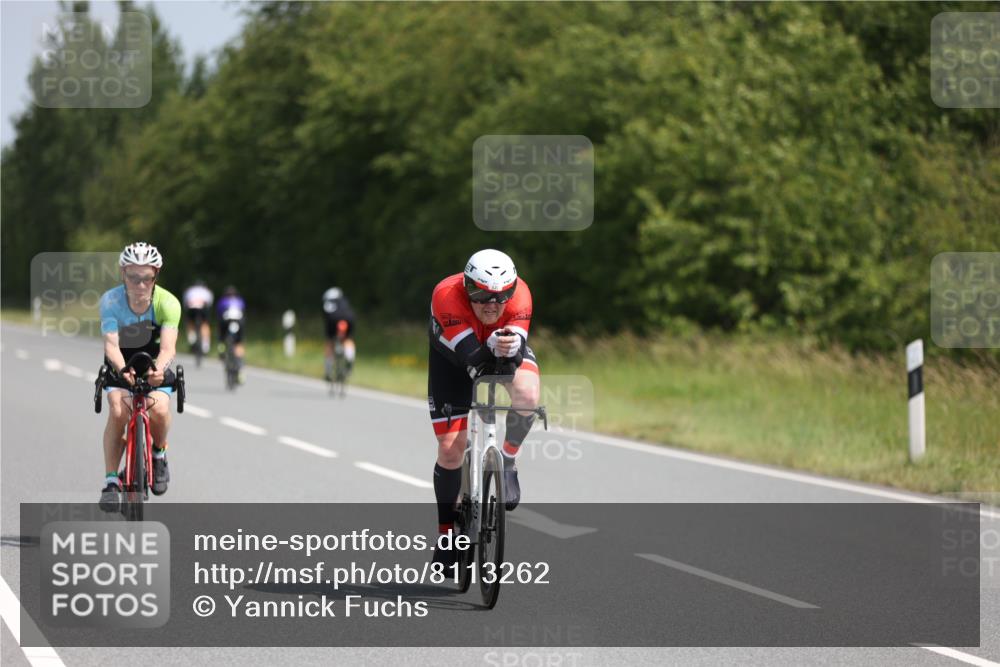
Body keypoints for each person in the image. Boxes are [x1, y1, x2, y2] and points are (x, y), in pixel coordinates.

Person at [427, 249, 540, 570]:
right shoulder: (446, 295)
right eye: (480, 294)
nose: (491, 304)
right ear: (466, 287)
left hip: (497, 346)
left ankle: (507, 461)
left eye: (501, 296)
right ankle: (446, 533)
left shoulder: (521, 296)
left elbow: (512, 362)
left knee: (528, 396)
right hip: (453, 357)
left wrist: (509, 349)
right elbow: (471, 360)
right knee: (451, 448)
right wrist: (489, 348)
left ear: (512, 290)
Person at [98, 242, 181, 511]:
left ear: (155, 275)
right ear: (123, 273)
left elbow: (168, 347)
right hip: (121, 361)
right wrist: (122, 370)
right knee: (118, 410)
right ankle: (111, 481)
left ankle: (159, 453)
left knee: (159, 408)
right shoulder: (111, 301)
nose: (141, 284)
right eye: (134, 277)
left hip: (154, 361)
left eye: (147, 278)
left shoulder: (167, 302)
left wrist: (158, 370)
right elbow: (111, 344)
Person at [322, 286, 356, 381]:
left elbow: (326, 317)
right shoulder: (344, 300)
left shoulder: (328, 302)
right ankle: (350, 358)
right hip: (349, 318)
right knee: (348, 339)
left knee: (329, 342)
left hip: (333, 320)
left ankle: (328, 370)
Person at [217, 286, 246, 383]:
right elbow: (243, 311)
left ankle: (221, 350)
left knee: (221, 337)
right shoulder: (240, 300)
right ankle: (241, 369)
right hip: (239, 322)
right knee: (239, 343)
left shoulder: (222, 301)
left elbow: (219, 314)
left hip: (225, 321)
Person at [182, 279, 214, 355]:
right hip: (203, 309)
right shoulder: (206, 291)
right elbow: (209, 303)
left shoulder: (190, 290)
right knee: (205, 324)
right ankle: (205, 344)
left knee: (190, 322)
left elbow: (185, 303)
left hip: (192, 309)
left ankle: (191, 338)